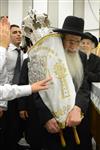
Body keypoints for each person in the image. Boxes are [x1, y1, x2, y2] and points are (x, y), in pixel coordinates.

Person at [18, 14, 92, 150]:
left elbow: (84, 86)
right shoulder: (46, 56)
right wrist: (46, 117)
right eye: (70, 41)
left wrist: (78, 107)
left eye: (78, 41)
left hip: (75, 121)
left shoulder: (81, 56)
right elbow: (37, 89)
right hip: (52, 123)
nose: (73, 46)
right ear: (61, 38)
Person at [0, 16, 52, 150]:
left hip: (20, 93)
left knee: (17, 126)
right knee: (6, 126)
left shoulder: (24, 55)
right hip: (6, 96)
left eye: (19, 32)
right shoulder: (3, 52)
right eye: (14, 32)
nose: (18, 34)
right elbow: (2, 77)